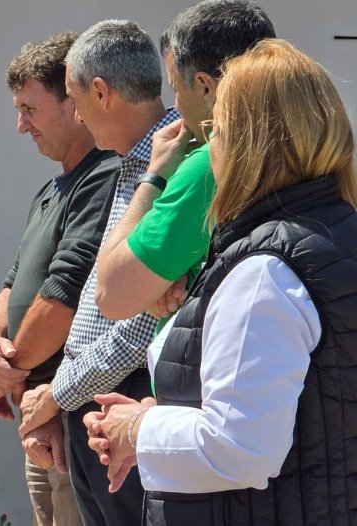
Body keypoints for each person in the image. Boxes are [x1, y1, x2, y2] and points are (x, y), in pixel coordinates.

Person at [86, 38, 357, 525]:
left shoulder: (266, 269)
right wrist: (159, 416)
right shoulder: (335, 233)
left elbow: (239, 447)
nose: (209, 146)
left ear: (250, 144)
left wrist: (139, 427)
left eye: (217, 130)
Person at [17, 20, 180, 525]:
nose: (77, 115)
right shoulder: (134, 161)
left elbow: (137, 327)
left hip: (129, 402)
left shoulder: (173, 162)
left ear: (102, 93)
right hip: (97, 404)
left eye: (74, 98)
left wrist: (56, 393)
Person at [0, 32, 119, 525]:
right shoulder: (51, 189)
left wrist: (9, 372)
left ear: (74, 103)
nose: (22, 126)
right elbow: (12, 283)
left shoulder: (106, 176)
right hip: (41, 414)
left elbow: (64, 297)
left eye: (30, 110)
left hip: (75, 416)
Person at [94, 0, 275, 329]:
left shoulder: (210, 166)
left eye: (176, 89)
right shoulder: (311, 147)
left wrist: (155, 176)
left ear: (206, 87)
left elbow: (111, 293)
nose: (175, 106)